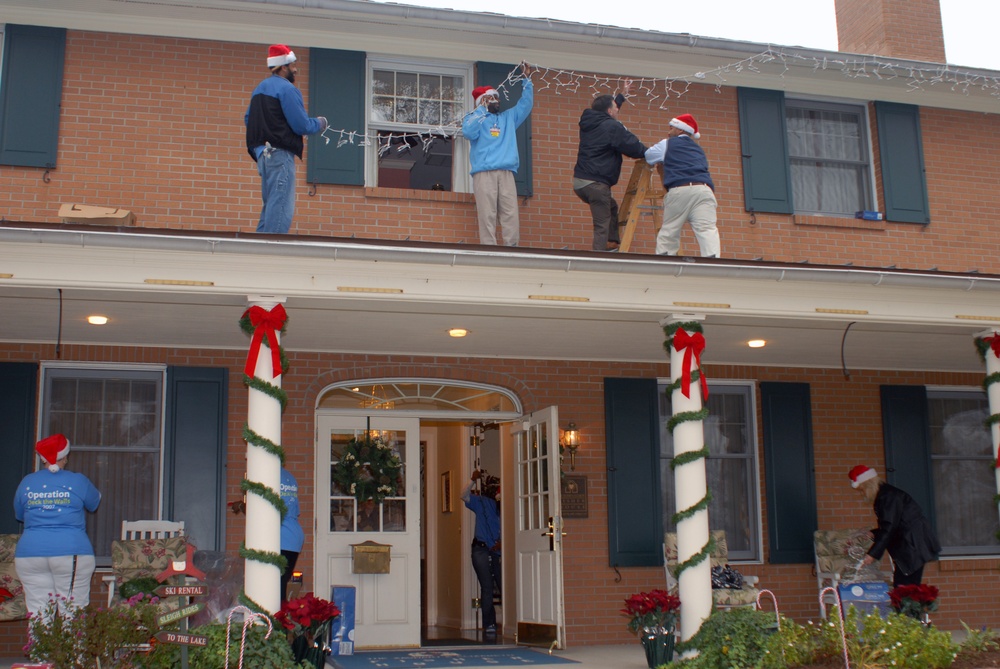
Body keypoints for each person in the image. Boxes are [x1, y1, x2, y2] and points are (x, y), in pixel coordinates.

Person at [14, 434, 101, 618]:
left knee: (39, 613)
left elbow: (19, 515)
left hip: (30, 554)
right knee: (73, 611)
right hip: (71, 552)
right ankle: (73, 648)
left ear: (42, 458)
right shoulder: (78, 481)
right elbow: (94, 503)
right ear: (66, 456)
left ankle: (40, 647)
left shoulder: (27, 482)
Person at [245, 43, 329, 234]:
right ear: (283, 66)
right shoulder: (287, 89)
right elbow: (302, 125)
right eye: (293, 65)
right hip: (280, 156)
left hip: (262, 156)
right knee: (281, 208)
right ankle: (272, 254)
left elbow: (249, 119)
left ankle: (257, 250)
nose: (295, 69)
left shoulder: (259, 89)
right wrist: (321, 122)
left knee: (270, 208)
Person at [461, 64, 534, 246]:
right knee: (487, 214)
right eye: (491, 98)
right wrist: (481, 111)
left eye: (496, 97)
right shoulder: (474, 117)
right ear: (483, 100)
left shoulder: (508, 118)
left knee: (510, 213)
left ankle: (512, 249)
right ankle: (489, 248)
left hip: (506, 171)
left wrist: (527, 80)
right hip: (484, 173)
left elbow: (526, 105)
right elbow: (469, 132)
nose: (496, 100)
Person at [573, 81, 648, 251]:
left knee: (611, 206)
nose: (617, 110)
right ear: (609, 111)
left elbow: (606, 115)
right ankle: (599, 258)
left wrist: (621, 96)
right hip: (596, 184)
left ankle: (611, 243)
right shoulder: (612, 127)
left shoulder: (589, 123)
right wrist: (650, 153)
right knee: (601, 223)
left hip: (580, 182)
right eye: (615, 107)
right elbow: (632, 146)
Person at [849, 464, 941, 587]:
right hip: (912, 544)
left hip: (912, 546)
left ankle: (908, 606)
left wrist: (872, 554)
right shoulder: (887, 495)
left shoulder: (887, 497)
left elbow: (890, 527)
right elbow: (894, 524)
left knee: (905, 589)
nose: (862, 494)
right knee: (906, 589)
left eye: (861, 490)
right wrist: (874, 533)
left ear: (867, 485)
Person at [644, 113, 720, 257]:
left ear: (680, 130)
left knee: (669, 231)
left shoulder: (668, 143)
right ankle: (713, 261)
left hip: (680, 189)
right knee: (707, 229)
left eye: (671, 128)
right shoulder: (698, 150)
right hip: (704, 190)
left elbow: (649, 156)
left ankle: (665, 261)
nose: (668, 131)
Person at [461, 469, 501, 638]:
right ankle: (489, 624)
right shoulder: (483, 502)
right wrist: (472, 480)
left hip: (499, 551)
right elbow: (464, 495)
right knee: (486, 587)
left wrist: (502, 543)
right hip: (481, 549)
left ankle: (512, 623)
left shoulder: (508, 509)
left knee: (503, 584)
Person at [280, 467, 305, 601]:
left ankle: (274, 620)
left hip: (281, 536)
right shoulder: (289, 476)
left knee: (274, 589)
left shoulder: (266, 474)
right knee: (281, 586)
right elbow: (295, 509)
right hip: (294, 533)